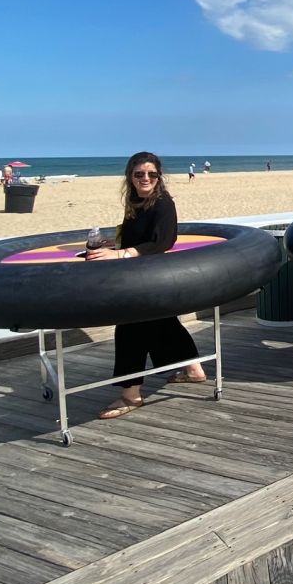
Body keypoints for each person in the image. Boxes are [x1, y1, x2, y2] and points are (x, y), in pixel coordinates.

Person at [89, 152, 206, 419]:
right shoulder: (134, 200)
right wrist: (113, 247)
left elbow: (162, 242)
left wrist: (120, 254)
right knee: (163, 322)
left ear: (159, 176)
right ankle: (193, 370)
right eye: (140, 174)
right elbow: (135, 239)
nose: (146, 178)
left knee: (130, 329)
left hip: (153, 276)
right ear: (130, 176)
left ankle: (131, 394)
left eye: (151, 174)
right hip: (140, 274)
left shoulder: (163, 203)